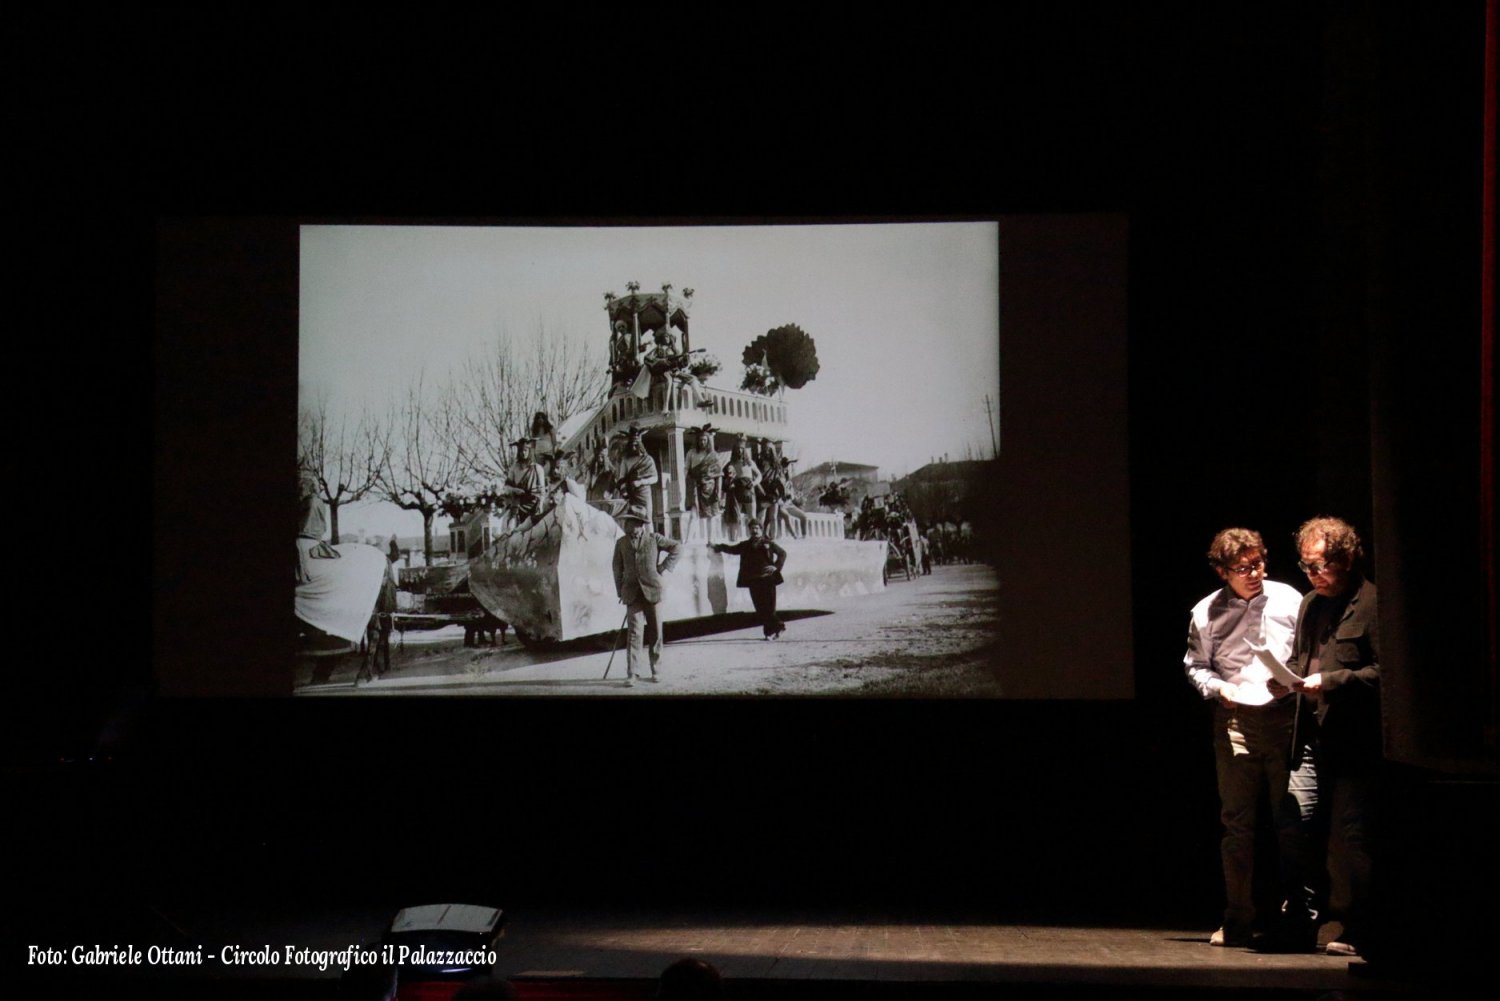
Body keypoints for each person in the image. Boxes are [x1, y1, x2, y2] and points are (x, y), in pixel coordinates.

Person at [1184, 527, 1317, 950]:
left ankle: (1296, 915)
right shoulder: (1205, 612)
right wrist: (1218, 688)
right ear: (1223, 572)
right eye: (1243, 568)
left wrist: (1292, 680)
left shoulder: (1291, 600)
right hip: (1236, 720)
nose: (1255, 573)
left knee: (1291, 822)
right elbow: (1196, 666)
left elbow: (1308, 650)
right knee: (1237, 824)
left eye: (1259, 563)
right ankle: (1238, 916)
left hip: (1283, 718)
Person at [1287, 516, 1381, 958]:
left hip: (1353, 742)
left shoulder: (1374, 604)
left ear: (1345, 560)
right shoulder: (1310, 603)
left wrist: (1332, 681)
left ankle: (1356, 925)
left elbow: (1386, 675)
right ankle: (1302, 921)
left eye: (1320, 566)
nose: (1312, 576)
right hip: (1309, 736)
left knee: (1350, 836)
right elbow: (1301, 660)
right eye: (1306, 566)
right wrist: (1285, 681)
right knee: (1298, 825)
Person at [612, 505, 680, 685]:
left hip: (653, 591)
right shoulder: (621, 543)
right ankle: (632, 673)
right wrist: (620, 590)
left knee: (655, 631)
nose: (627, 525)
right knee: (634, 633)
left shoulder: (654, 539)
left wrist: (663, 567)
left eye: (631, 522)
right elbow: (617, 568)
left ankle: (656, 670)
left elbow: (677, 547)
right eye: (627, 522)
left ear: (641, 525)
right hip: (632, 593)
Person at [713, 519, 788, 639]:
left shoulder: (768, 543)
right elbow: (732, 549)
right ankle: (775, 628)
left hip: (768, 580)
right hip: (753, 581)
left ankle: (772, 630)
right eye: (752, 528)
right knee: (759, 608)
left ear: (761, 530)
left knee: (769, 606)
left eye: (757, 528)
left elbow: (783, 553)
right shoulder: (745, 545)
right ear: (749, 530)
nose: (754, 531)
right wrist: (717, 547)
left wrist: (776, 566)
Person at [684, 423, 724, 542]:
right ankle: (688, 541)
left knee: (710, 515)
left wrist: (718, 491)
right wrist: (685, 480)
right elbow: (686, 468)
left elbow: (719, 475)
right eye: (700, 440)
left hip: (710, 487)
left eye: (705, 440)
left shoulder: (713, 455)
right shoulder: (691, 453)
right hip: (695, 485)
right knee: (693, 513)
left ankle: (710, 541)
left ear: (708, 441)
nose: (702, 442)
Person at [613, 425, 659, 525]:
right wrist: (625, 492)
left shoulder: (647, 459)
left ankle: (648, 539)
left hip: (644, 494)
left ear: (640, 444)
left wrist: (641, 482)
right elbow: (621, 478)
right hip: (630, 494)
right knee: (632, 520)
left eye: (636, 444)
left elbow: (655, 478)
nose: (634, 447)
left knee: (647, 520)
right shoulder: (625, 460)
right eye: (631, 444)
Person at [722, 433, 761, 541]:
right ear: (734, 450)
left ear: (745, 450)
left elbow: (759, 475)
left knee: (752, 517)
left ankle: (754, 538)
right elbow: (726, 476)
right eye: (738, 449)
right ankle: (734, 539)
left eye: (742, 449)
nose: (740, 451)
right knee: (735, 516)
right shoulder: (731, 463)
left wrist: (754, 483)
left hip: (749, 490)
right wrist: (730, 480)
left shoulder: (749, 463)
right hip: (737, 491)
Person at [503, 435, 545, 523]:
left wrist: (540, 504)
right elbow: (506, 487)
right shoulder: (514, 468)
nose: (523, 453)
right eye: (521, 451)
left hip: (534, 504)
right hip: (519, 504)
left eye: (525, 450)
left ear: (529, 451)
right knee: (511, 523)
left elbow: (542, 490)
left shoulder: (537, 468)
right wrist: (514, 490)